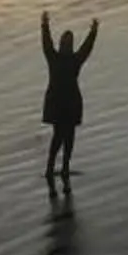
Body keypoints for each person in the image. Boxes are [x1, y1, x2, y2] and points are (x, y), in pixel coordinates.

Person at [39, 10, 98, 182]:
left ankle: (59, 167)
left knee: (65, 137)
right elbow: (47, 43)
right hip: (65, 103)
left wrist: (93, 32)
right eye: (67, 41)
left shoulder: (63, 59)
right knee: (62, 136)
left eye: (69, 41)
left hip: (65, 103)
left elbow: (86, 48)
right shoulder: (65, 59)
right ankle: (56, 167)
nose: (68, 44)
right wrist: (44, 26)